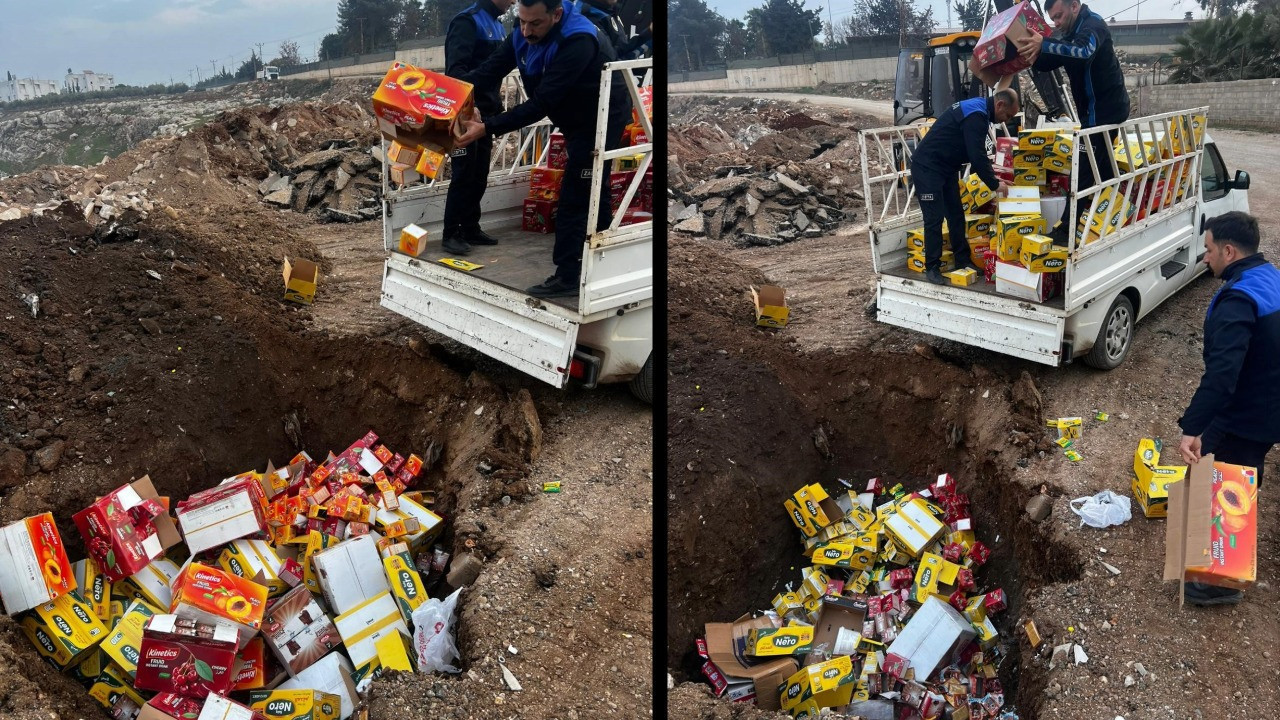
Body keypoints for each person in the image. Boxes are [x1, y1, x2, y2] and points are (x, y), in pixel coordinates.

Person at [454, 0, 629, 298]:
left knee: (577, 193)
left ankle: (569, 276)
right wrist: (447, 92)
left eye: (535, 23)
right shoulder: (523, 31)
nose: (526, 31)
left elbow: (541, 104)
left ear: (556, 14)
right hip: (572, 111)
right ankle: (603, 258)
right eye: (521, 22)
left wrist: (488, 127)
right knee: (592, 190)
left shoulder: (579, 41)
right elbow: (489, 70)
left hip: (600, 117)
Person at [1176, 212, 1280, 606]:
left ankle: (1222, 586)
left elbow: (1223, 375)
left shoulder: (1238, 300)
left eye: (1208, 250)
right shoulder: (1267, 275)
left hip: (1254, 412)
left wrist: (1193, 425)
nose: (1205, 258)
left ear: (1229, 250)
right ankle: (1211, 539)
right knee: (1230, 465)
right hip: (1263, 397)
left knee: (1235, 482)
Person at [909, 88, 1020, 286]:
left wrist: (995, 175)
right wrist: (995, 184)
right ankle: (932, 267)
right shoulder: (976, 115)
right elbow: (976, 156)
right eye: (1007, 115)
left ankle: (962, 260)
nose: (1005, 119)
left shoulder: (980, 110)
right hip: (927, 167)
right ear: (999, 104)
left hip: (946, 167)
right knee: (934, 218)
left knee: (956, 214)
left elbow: (977, 154)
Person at [1015, 0, 1128, 188]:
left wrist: (1044, 43)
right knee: (1103, 165)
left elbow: (1083, 52)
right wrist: (1032, 55)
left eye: (1058, 16)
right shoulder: (1070, 33)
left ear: (1074, 6)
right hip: (1091, 113)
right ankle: (1115, 203)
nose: (1056, 23)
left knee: (1082, 170)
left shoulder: (1093, 25)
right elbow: (1051, 61)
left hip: (1105, 111)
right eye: (1052, 19)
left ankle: (1069, 218)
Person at [441, 0, 515, 256]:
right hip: (465, 113)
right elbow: (455, 72)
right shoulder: (467, 22)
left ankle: (471, 226)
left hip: (487, 115)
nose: (515, 1)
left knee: (480, 174)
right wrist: (467, 107)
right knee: (463, 174)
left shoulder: (498, 24)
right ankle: (451, 233)